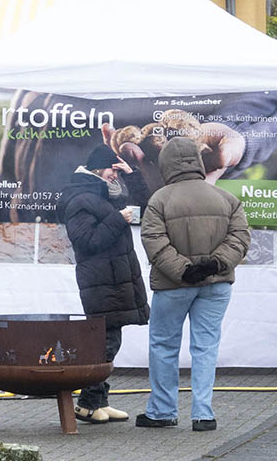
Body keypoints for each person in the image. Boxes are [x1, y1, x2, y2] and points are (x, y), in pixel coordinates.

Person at [138, 137, 250, 431]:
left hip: (174, 286)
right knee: (206, 347)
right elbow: (239, 239)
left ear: (166, 165)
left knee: (164, 346)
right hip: (217, 284)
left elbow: (154, 242)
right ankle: (203, 414)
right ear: (199, 163)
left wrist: (185, 272)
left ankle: (162, 412)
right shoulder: (227, 199)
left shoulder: (159, 200)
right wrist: (215, 263)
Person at [57, 145, 151, 423]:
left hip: (114, 281)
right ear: (97, 168)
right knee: (103, 343)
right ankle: (87, 404)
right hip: (101, 282)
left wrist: (131, 173)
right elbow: (87, 241)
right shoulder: (80, 199)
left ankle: (99, 400)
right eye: (112, 168)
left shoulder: (104, 195)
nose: (114, 174)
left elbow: (147, 203)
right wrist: (117, 219)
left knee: (110, 340)